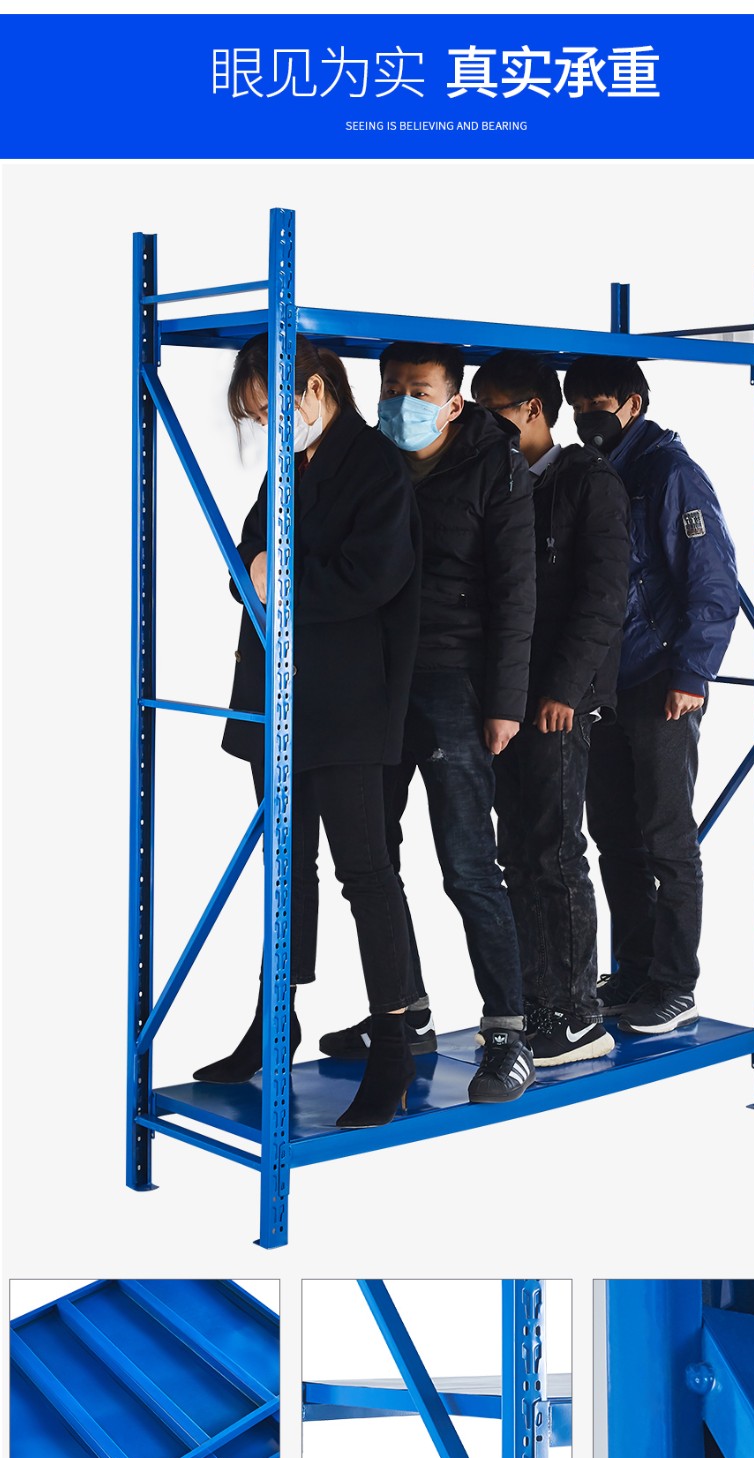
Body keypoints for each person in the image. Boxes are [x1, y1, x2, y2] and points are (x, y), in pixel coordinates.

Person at [194, 334, 422, 1130]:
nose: (266, 425)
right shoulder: (289, 466)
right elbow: (245, 556)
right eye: (256, 416)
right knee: (286, 869)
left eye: (270, 408)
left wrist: (276, 574)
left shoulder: (377, 465)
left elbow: (373, 576)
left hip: (349, 704)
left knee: (366, 873)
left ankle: (392, 1047)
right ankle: (274, 1021)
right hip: (277, 699)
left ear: (317, 387)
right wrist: (258, 569)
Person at [319, 341, 538, 1103]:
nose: (399, 403)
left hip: (453, 680)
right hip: (372, 679)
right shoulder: (365, 459)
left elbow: (516, 592)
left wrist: (504, 702)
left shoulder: (494, 468)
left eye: (417, 391)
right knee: (371, 860)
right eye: (389, 388)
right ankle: (404, 1011)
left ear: (453, 403)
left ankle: (508, 1032)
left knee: (468, 865)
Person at [563, 355, 740, 1033]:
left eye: (598, 402)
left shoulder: (668, 473)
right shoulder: (594, 470)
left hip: (661, 682)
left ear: (633, 404)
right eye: (577, 403)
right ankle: (635, 969)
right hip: (605, 684)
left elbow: (712, 582)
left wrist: (690, 674)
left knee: (666, 837)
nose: (586, 415)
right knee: (614, 834)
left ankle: (674, 983)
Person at [470, 351, 630, 1066]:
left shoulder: (587, 481)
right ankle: (536, 1001)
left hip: (556, 703)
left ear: (532, 409)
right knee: (516, 853)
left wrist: (565, 690)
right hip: (507, 698)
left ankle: (577, 1016)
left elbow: (603, 595)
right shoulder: (500, 479)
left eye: (490, 411)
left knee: (554, 854)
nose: (479, 425)